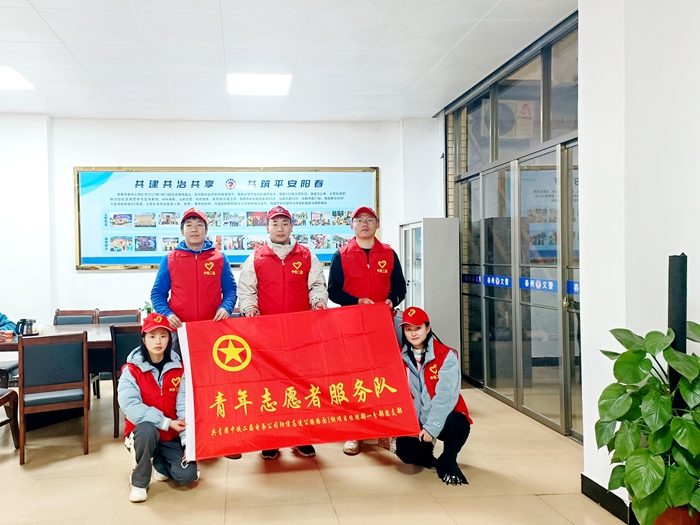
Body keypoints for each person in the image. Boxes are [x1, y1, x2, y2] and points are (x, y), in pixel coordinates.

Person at [237, 205, 329, 460]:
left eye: (285, 223)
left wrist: (318, 301)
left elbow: (317, 285)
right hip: (267, 336)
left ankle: (302, 436)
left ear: (291, 226)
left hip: (301, 334)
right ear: (267, 227)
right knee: (270, 386)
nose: (280, 228)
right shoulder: (255, 258)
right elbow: (246, 291)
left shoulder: (307, 256)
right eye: (275, 224)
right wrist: (249, 308)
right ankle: (271, 438)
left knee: (301, 384)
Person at [328, 205, 406, 455]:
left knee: (385, 377)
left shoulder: (389, 253)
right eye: (359, 220)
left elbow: (400, 287)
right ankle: (355, 432)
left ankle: (386, 431)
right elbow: (333, 291)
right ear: (351, 225)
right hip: (352, 324)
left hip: (382, 325)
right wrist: (356, 301)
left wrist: (391, 300)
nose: (364, 224)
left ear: (377, 224)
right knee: (354, 377)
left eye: (370, 220)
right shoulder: (342, 254)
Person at [117, 313, 199, 503]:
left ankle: (161, 465)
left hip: (171, 434)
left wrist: (187, 443)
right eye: (152, 336)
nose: (158, 341)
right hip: (144, 433)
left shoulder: (180, 368)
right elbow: (130, 406)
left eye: (163, 335)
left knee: (188, 476)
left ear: (170, 339)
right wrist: (166, 422)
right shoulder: (131, 370)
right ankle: (139, 482)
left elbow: (183, 405)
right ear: (143, 339)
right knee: (147, 429)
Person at [397, 306, 471, 485]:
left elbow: (445, 397)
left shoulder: (445, 355)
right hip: (417, 421)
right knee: (407, 453)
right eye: (408, 329)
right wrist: (409, 425)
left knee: (460, 424)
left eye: (418, 328)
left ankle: (448, 460)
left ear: (428, 328)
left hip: (442, 417)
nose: (413, 333)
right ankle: (426, 452)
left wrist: (432, 427)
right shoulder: (399, 357)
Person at [151, 207, 237, 331]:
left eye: (199, 225)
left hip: (213, 326)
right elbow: (158, 293)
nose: (194, 229)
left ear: (206, 231)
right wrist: (167, 314)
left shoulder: (219, 258)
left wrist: (226, 308)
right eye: (189, 225)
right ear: (182, 231)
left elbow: (230, 289)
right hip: (180, 328)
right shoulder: (170, 259)